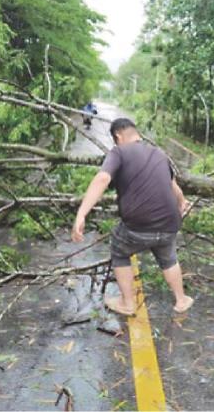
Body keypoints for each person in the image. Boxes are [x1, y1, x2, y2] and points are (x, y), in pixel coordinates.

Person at [71, 118, 194, 316]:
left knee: (119, 249)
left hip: (138, 227)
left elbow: (103, 178)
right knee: (169, 257)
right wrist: (182, 203)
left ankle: (127, 303)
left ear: (118, 136)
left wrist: (81, 214)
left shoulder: (118, 152)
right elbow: (174, 187)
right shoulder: (159, 153)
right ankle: (181, 300)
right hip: (169, 225)